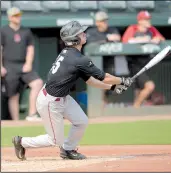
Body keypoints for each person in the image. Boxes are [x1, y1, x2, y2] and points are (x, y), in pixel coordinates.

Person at [12, 21, 133, 160]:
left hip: (61, 97)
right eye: (80, 33)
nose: (84, 34)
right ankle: (21, 142)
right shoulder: (78, 59)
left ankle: (68, 150)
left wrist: (112, 87)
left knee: (81, 121)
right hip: (50, 102)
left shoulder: (70, 54)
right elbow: (104, 77)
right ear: (74, 39)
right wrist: (122, 80)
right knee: (55, 140)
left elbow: (91, 81)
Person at [1, 7, 43, 121]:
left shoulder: (26, 31)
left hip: (23, 65)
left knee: (38, 83)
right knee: (13, 95)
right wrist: (1, 66)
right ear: (10, 17)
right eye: (15, 15)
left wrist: (28, 63)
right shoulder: (3, 30)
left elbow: (30, 48)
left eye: (19, 15)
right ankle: (15, 122)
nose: (18, 17)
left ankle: (32, 114)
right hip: (9, 65)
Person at [122, 10, 165, 108]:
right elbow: (125, 41)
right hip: (135, 63)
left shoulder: (152, 29)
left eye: (149, 19)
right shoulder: (133, 28)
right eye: (145, 19)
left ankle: (136, 111)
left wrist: (156, 39)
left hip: (148, 62)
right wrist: (142, 40)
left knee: (139, 90)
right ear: (140, 21)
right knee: (149, 86)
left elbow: (162, 39)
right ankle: (135, 107)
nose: (148, 21)